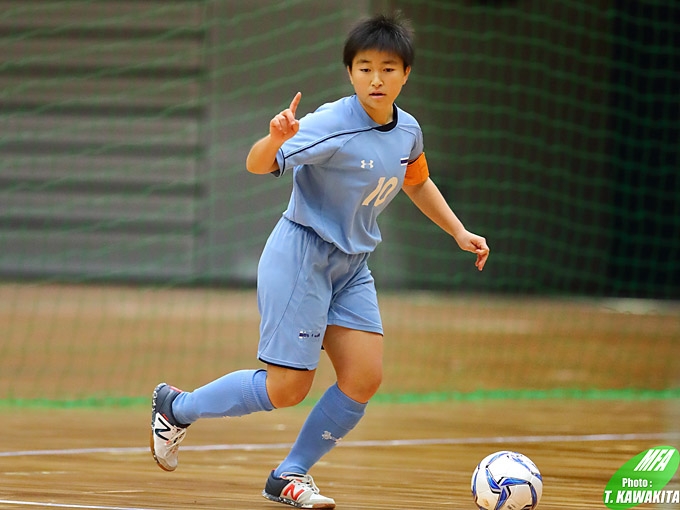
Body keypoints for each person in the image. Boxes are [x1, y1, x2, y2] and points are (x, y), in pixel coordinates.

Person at [150, 12, 489, 509]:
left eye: (389, 68)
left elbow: (415, 180)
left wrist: (458, 231)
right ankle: (176, 407)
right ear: (350, 72)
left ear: (406, 74)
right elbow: (257, 164)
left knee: (364, 377)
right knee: (289, 388)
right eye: (366, 67)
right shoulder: (330, 123)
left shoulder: (408, 130)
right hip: (302, 256)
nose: (377, 78)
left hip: (352, 267)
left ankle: (289, 474)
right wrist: (275, 137)